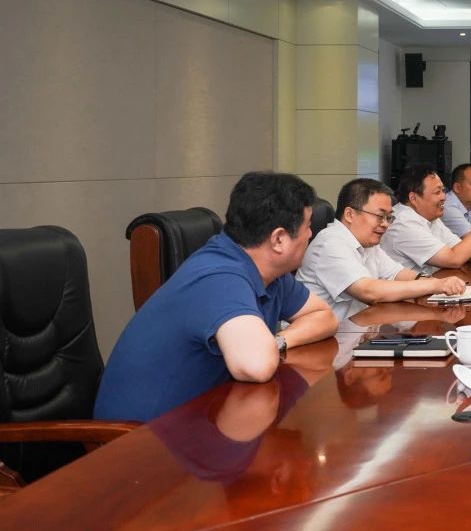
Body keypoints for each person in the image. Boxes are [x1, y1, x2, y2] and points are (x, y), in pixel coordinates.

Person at [94, 172, 339, 422]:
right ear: (278, 239)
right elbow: (256, 365)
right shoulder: (220, 274)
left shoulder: (269, 272)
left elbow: (324, 316)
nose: (310, 234)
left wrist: (279, 341)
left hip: (200, 419)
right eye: (308, 226)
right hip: (139, 436)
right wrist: (271, 347)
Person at [298, 177, 466, 321]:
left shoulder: (367, 243)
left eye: (389, 217)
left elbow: (398, 274)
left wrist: (437, 283)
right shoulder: (330, 243)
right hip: (325, 340)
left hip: (357, 329)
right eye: (380, 216)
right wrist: (435, 285)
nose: (385, 224)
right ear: (349, 214)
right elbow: (368, 291)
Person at [381, 162, 471, 274]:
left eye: (443, 191)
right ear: (413, 198)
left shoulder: (430, 217)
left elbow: (464, 251)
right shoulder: (404, 223)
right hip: (410, 295)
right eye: (437, 192)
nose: (444, 197)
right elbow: (454, 259)